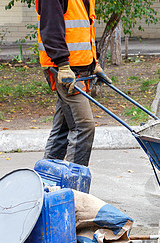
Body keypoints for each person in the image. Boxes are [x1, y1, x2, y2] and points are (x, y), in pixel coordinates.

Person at [36, 0, 111, 166]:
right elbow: (51, 29)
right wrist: (62, 65)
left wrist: (94, 64)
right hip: (66, 71)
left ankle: (47, 178)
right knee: (83, 127)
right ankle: (73, 183)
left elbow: (84, 33)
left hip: (77, 68)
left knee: (63, 128)